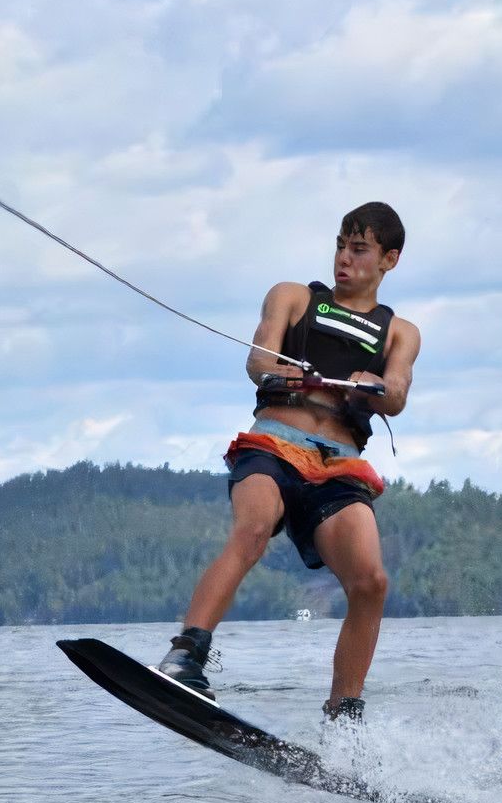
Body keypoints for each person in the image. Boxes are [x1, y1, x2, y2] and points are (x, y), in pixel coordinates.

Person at [156, 201, 421, 721]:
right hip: (276, 443)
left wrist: (377, 386)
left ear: (389, 259)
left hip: (339, 465)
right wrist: (279, 371)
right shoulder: (293, 297)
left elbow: (397, 393)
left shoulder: (399, 333)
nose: (344, 258)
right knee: (252, 529)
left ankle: (344, 715)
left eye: (359, 249)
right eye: (341, 246)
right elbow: (258, 358)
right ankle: (185, 656)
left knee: (372, 582)